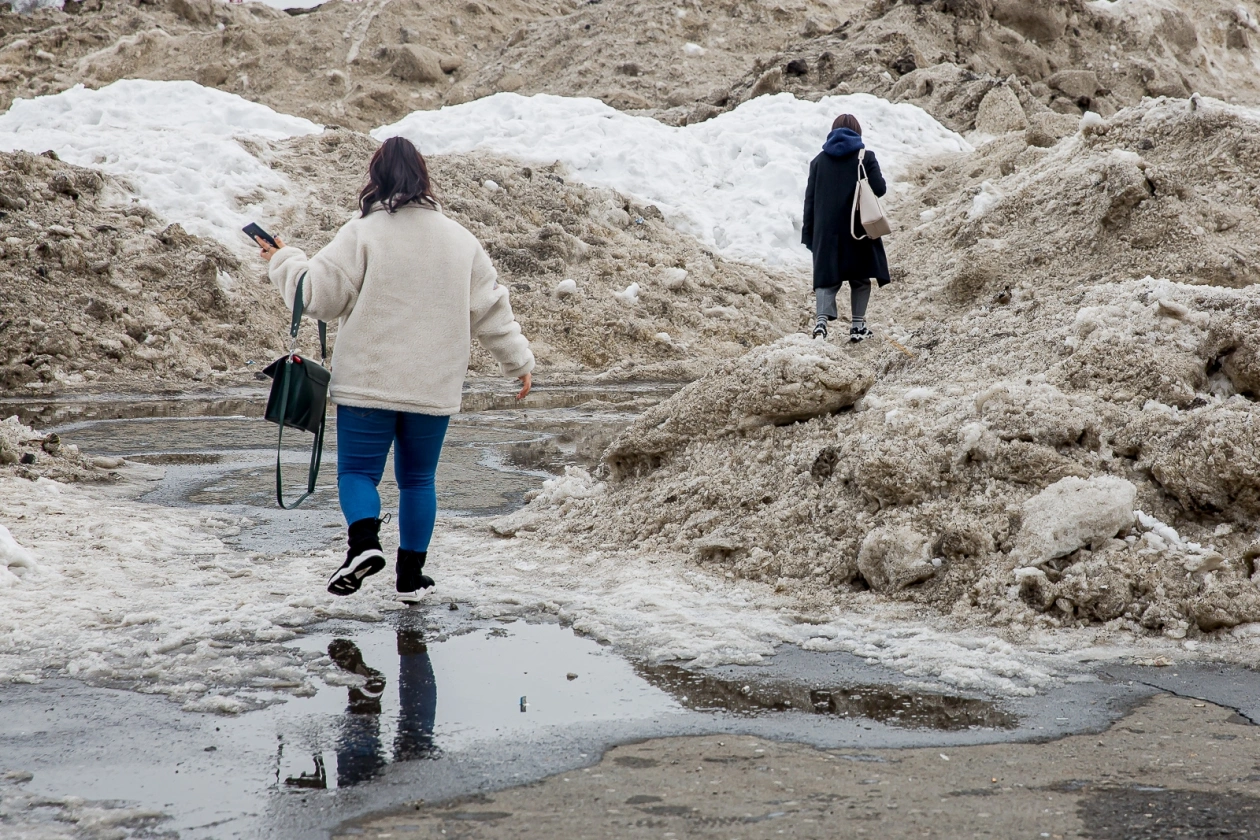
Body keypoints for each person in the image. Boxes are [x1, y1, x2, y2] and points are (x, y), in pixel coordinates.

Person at [256, 136, 534, 601]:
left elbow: (316, 296)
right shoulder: (461, 241)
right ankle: (410, 578)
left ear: (376, 178)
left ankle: (364, 544)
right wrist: (518, 362)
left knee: (358, 474)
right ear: (424, 177)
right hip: (432, 386)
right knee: (419, 481)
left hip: (369, 383)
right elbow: (491, 310)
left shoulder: (363, 232)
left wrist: (283, 258)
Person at [801, 113, 890, 342]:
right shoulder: (865, 157)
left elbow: (810, 200)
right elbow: (879, 189)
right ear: (857, 132)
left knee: (827, 277)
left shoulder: (818, 161)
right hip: (857, 228)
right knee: (860, 278)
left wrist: (809, 234)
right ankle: (858, 327)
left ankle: (821, 324)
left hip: (826, 231)